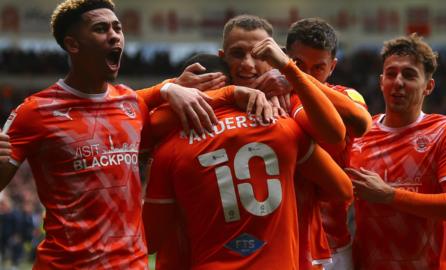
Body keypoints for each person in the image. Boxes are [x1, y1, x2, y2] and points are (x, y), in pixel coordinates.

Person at [0, 0, 260, 268]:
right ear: (73, 44)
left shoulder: (131, 104)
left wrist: (178, 88)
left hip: (132, 264)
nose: (114, 35)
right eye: (101, 29)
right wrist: (168, 88)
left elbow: (159, 100)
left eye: (117, 28)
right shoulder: (34, 112)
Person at [143, 52, 353, 270]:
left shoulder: (169, 150)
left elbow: (150, 241)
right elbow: (343, 189)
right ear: (232, 83)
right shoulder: (281, 125)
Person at [346, 33, 446, 269]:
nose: (398, 82)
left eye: (409, 74)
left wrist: (390, 195)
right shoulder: (359, 135)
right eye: (391, 73)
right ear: (381, 81)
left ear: (428, 86)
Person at [285, 18, 371, 270]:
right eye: (299, 64)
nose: (308, 74)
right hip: (288, 243)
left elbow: (360, 121)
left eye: (318, 68)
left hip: (335, 245)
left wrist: (295, 77)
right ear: (285, 57)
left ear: (332, 67)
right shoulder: (270, 99)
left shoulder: (346, 97)